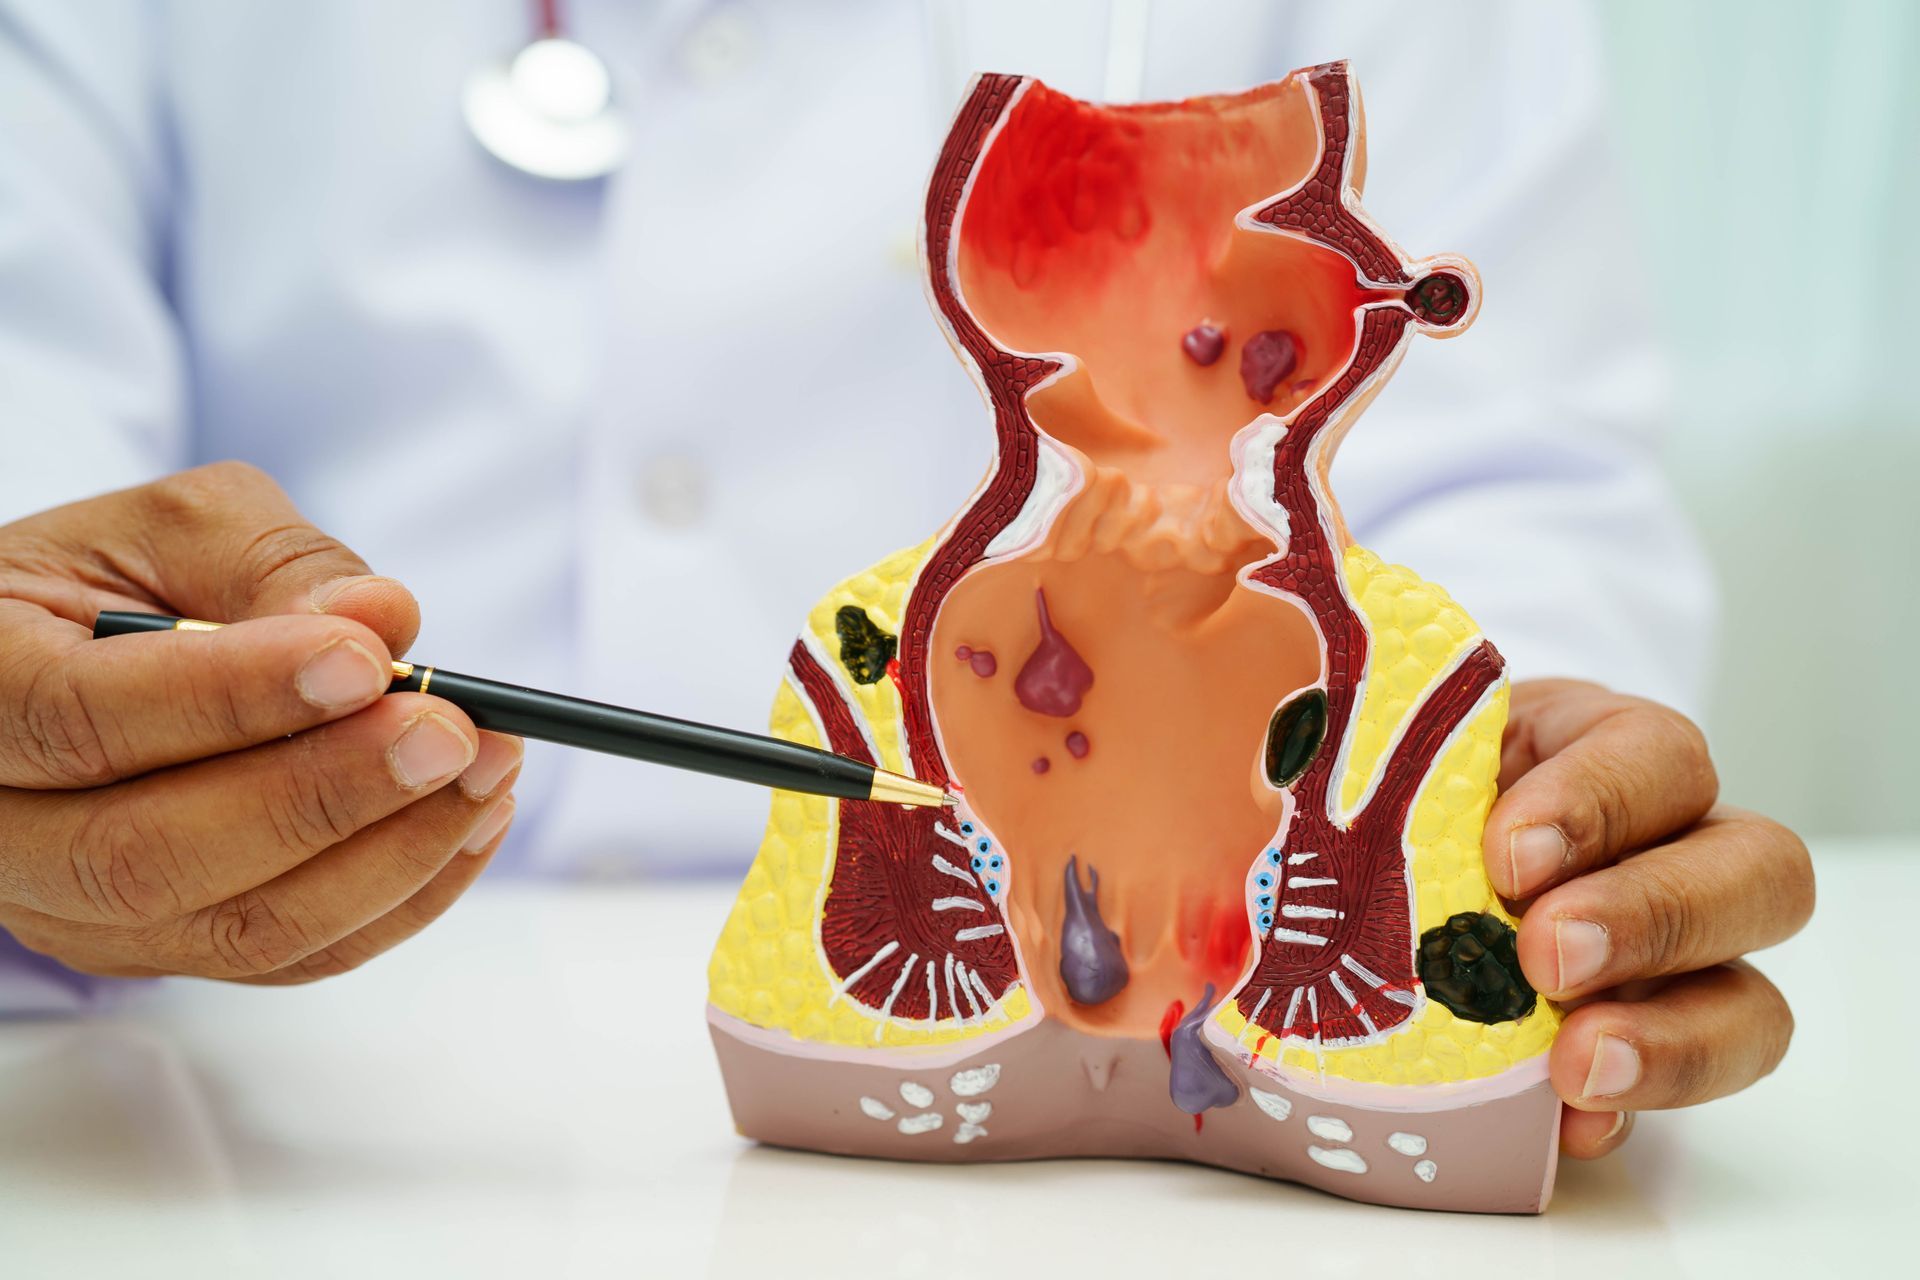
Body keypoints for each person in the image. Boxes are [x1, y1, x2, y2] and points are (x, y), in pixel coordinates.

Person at [0, 0, 1811, 1161]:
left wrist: (1531, 841)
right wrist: (56, 750)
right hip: (216, 1106)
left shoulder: (1312, 628)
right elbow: (45, 500)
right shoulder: (893, 650)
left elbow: (1527, 503)